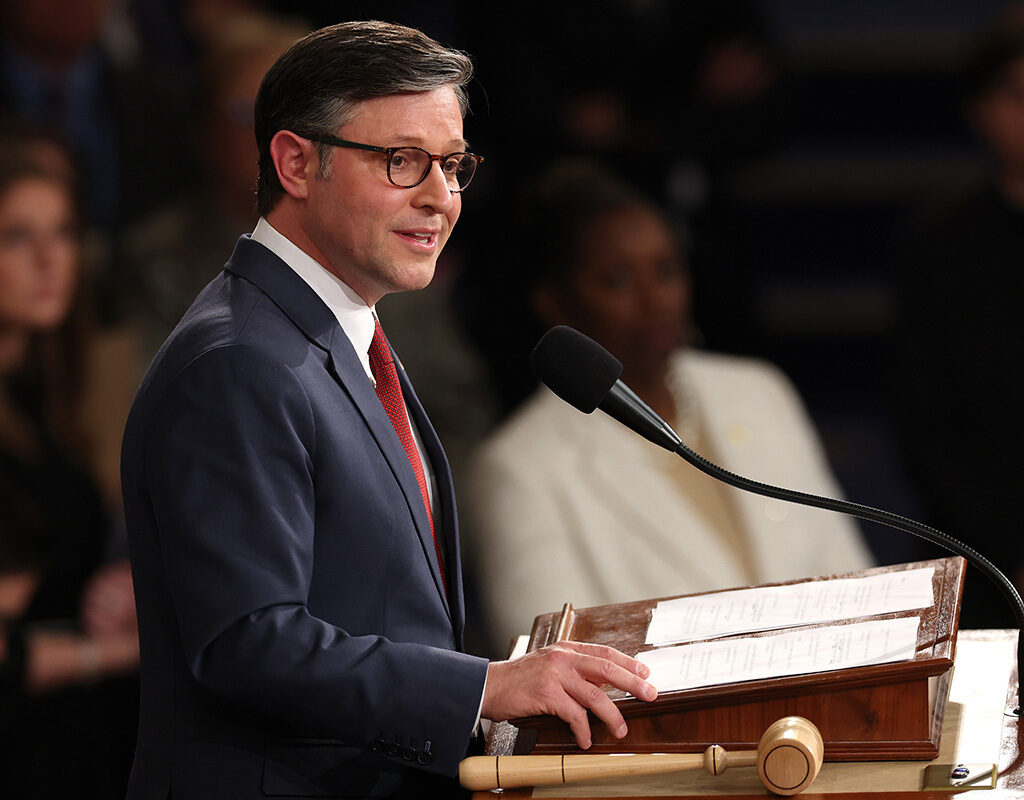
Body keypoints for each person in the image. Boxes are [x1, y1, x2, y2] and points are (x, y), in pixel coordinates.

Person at [120, 22, 657, 800]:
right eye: (402, 161)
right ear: (295, 163)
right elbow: (248, 641)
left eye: (453, 165)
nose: (441, 198)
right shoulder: (239, 363)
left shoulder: (340, 329)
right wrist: (480, 687)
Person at [463, 161, 874, 652]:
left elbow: (858, 584)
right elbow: (554, 663)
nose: (654, 299)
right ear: (554, 302)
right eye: (618, 280)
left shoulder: (758, 392)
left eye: (666, 270)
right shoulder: (518, 467)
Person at [0, 129, 139, 798]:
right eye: (16, 237)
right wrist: (124, 650)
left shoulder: (42, 402)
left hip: (73, 740)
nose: (51, 259)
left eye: (63, 232)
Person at [892, 4, 1024, 628]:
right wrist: (1006, 551)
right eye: (1018, 97)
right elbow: (925, 427)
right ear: (980, 108)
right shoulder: (941, 245)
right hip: (989, 558)